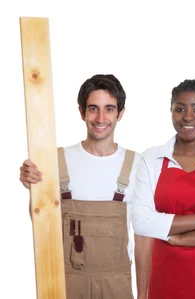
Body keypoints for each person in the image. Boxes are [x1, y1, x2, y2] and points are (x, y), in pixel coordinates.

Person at [19, 74, 151, 299]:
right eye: (93, 108)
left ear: (121, 113)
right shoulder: (54, 160)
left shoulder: (138, 165)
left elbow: (144, 237)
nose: (101, 118)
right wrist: (32, 187)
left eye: (109, 109)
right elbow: (41, 223)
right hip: (65, 283)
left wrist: (144, 295)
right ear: (81, 112)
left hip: (117, 284)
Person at [132, 79, 195, 299]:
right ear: (171, 111)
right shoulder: (152, 158)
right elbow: (141, 221)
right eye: (180, 109)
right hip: (164, 277)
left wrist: (177, 237)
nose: (188, 117)